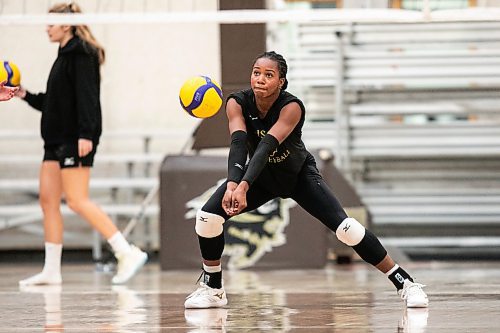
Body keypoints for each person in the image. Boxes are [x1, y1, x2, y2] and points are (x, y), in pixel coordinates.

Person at [184, 51, 429, 309]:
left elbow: (266, 146)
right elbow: (238, 143)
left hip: (298, 176)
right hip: (262, 178)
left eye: (269, 75)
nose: (260, 79)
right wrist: (233, 184)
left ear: (282, 81)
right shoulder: (237, 102)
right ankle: (213, 288)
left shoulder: (292, 107)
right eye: (257, 72)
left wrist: (243, 185)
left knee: (348, 230)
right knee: (207, 218)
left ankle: (406, 283)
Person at [16, 2, 147, 286]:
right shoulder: (63, 55)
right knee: (48, 201)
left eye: (51, 23)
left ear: (67, 24)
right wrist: (22, 93)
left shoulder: (81, 53)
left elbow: (89, 99)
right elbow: (52, 103)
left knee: (77, 200)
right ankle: (52, 270)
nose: (46, 28)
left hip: (74, 140)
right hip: (55, 141)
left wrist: (86, 135)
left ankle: (127, 252)